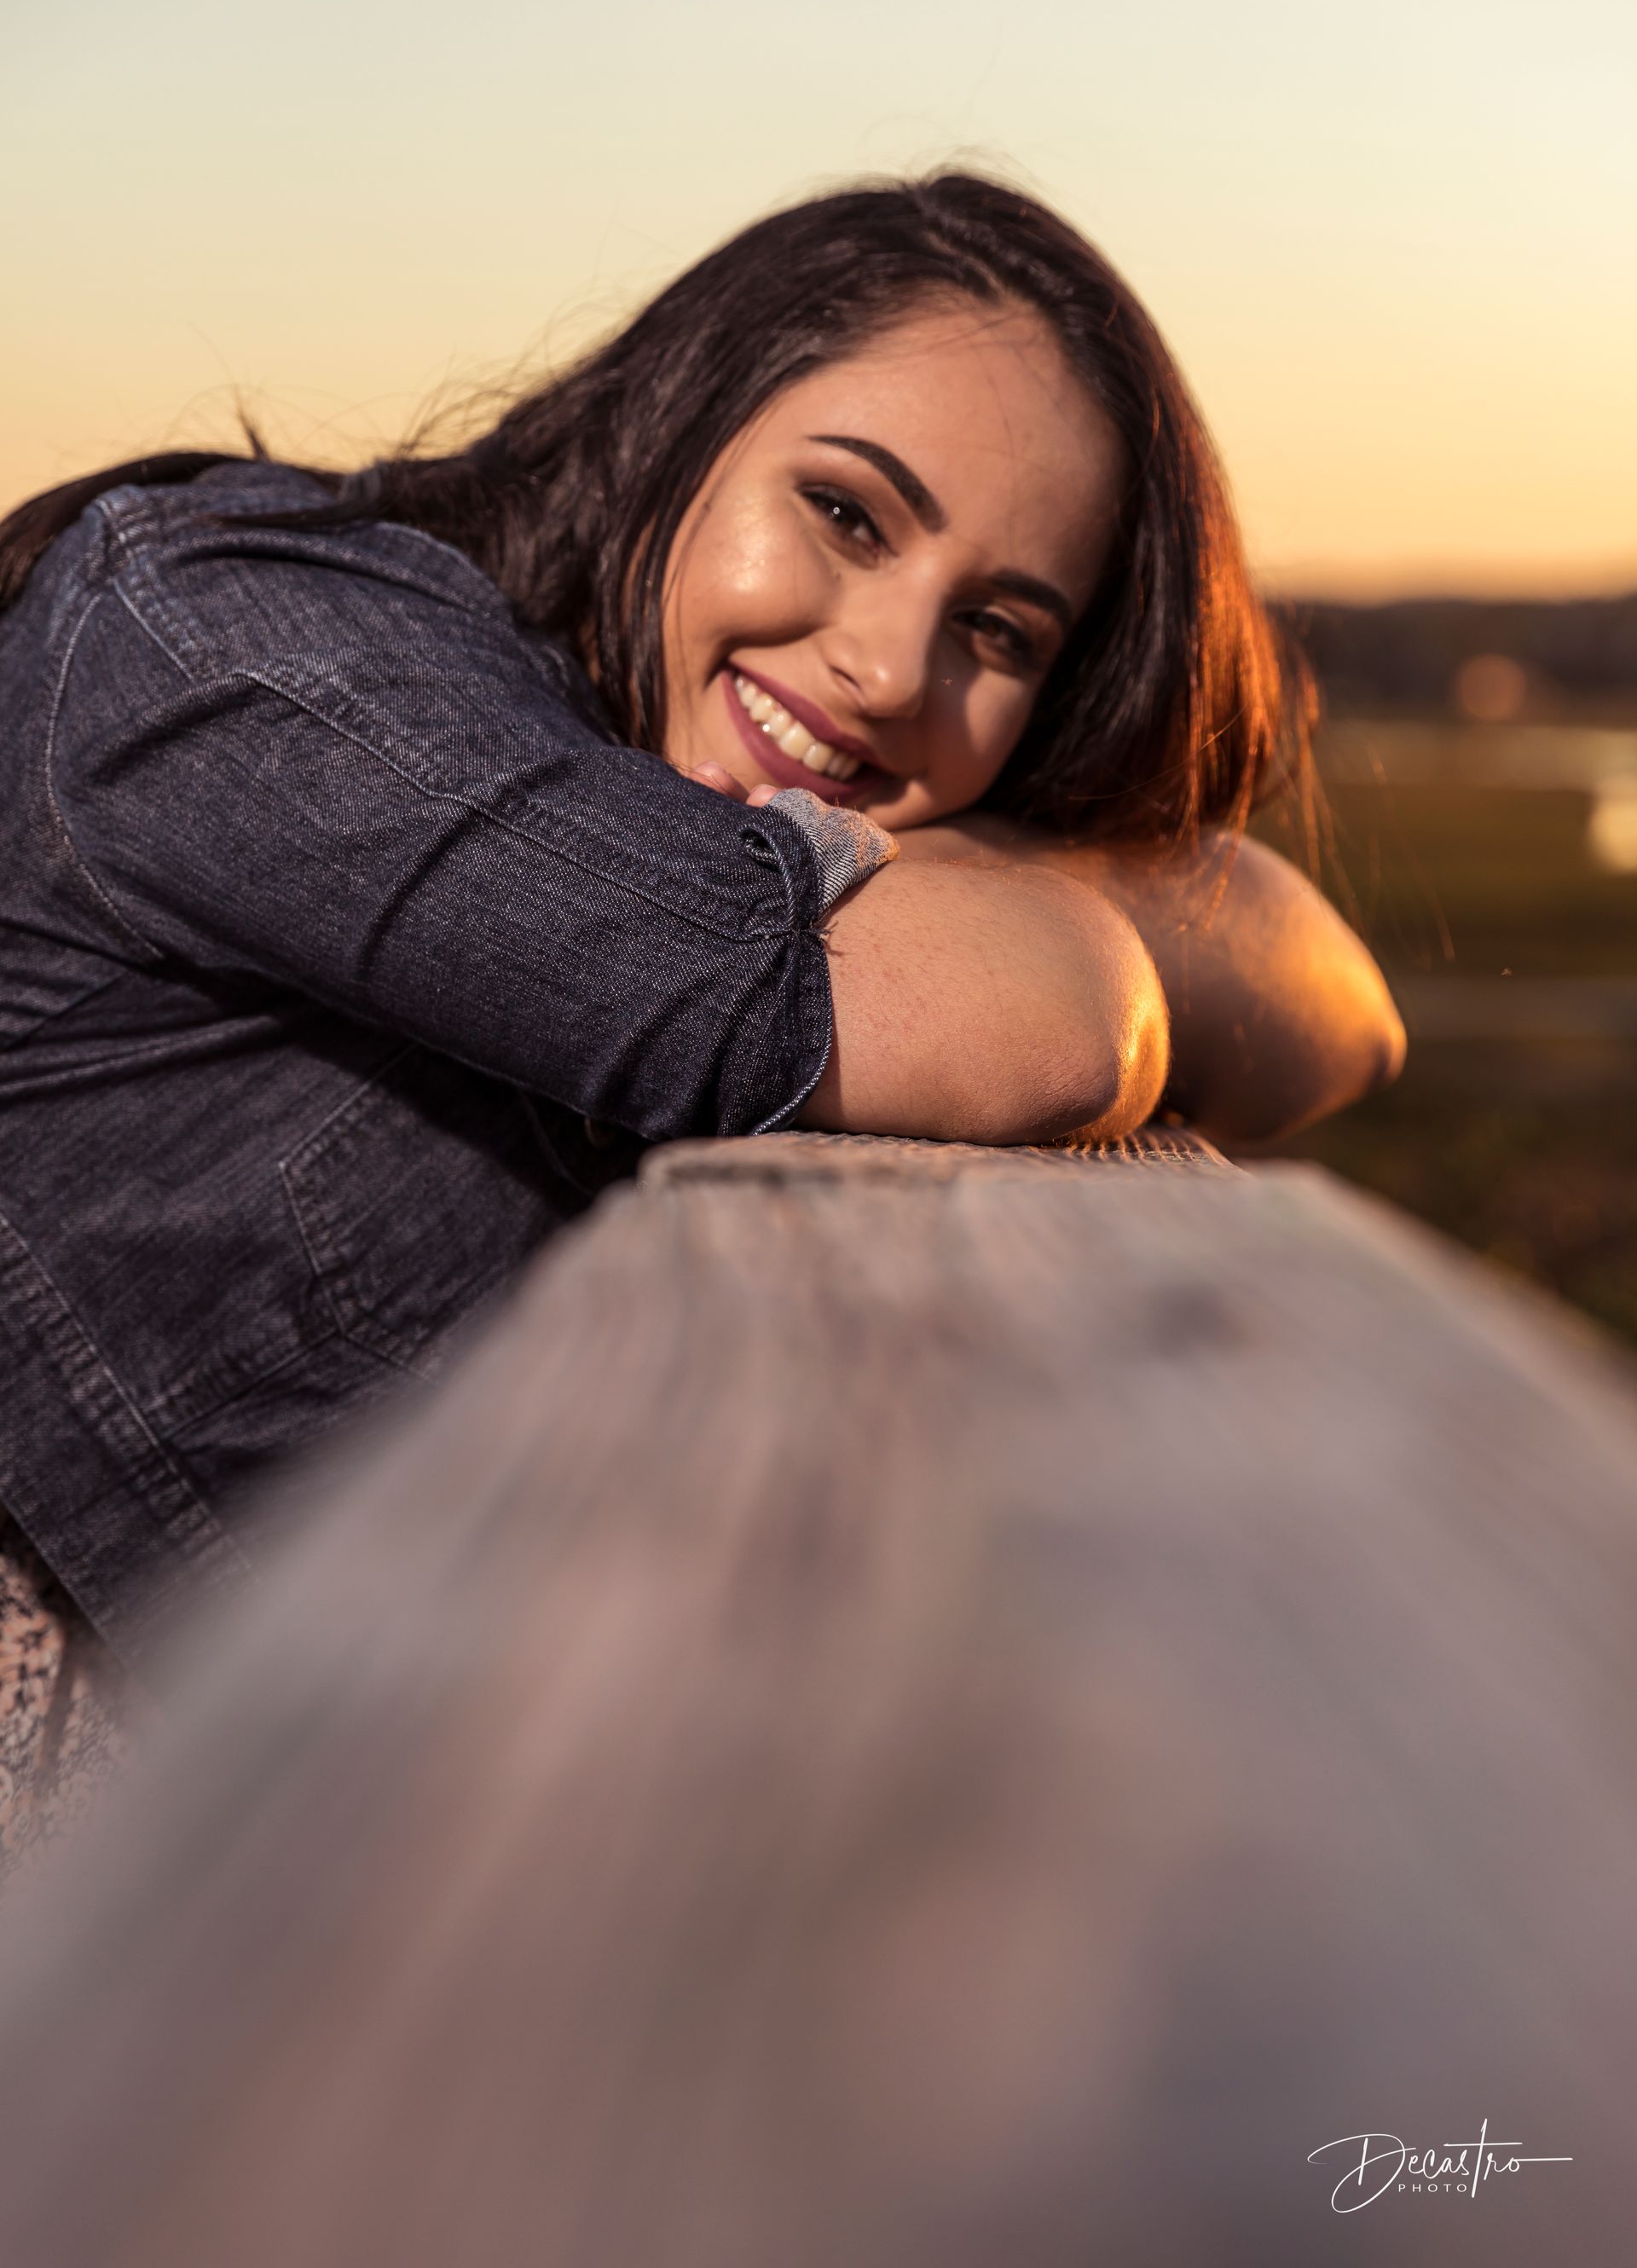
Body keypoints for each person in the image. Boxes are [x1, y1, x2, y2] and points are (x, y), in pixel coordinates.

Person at [0, 172, 1403, 1777]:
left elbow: (1336, 998)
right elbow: (1054, 1029)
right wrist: (1006, 909)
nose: (888, 669)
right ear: (681, 413)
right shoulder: (244, 641)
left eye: (1000, 634)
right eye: (847, 513)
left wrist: (1005, 881)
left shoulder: (644, 777)